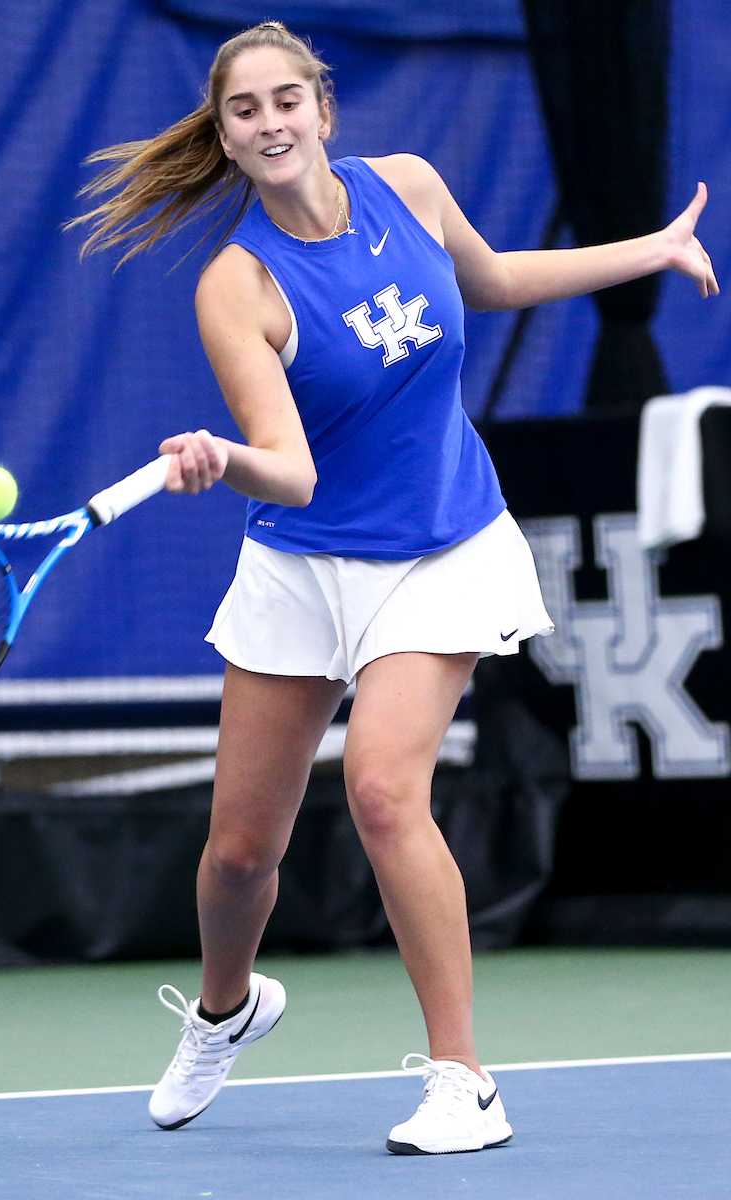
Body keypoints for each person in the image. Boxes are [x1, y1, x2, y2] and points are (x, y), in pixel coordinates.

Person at [70, 21, 718, 1155]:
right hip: (302, 561)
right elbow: (295, 467)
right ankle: (228, 1009)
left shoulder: (408, 188)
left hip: (441, 548)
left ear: (323, 107)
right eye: (244, 111)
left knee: (381, 790)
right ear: (223, 138)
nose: (270, 124)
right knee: (236, 859)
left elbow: (500, 277)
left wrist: (649, 249)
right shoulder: (237, 288)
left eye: (286, 100)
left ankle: (464, 1080)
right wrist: (227, 458)